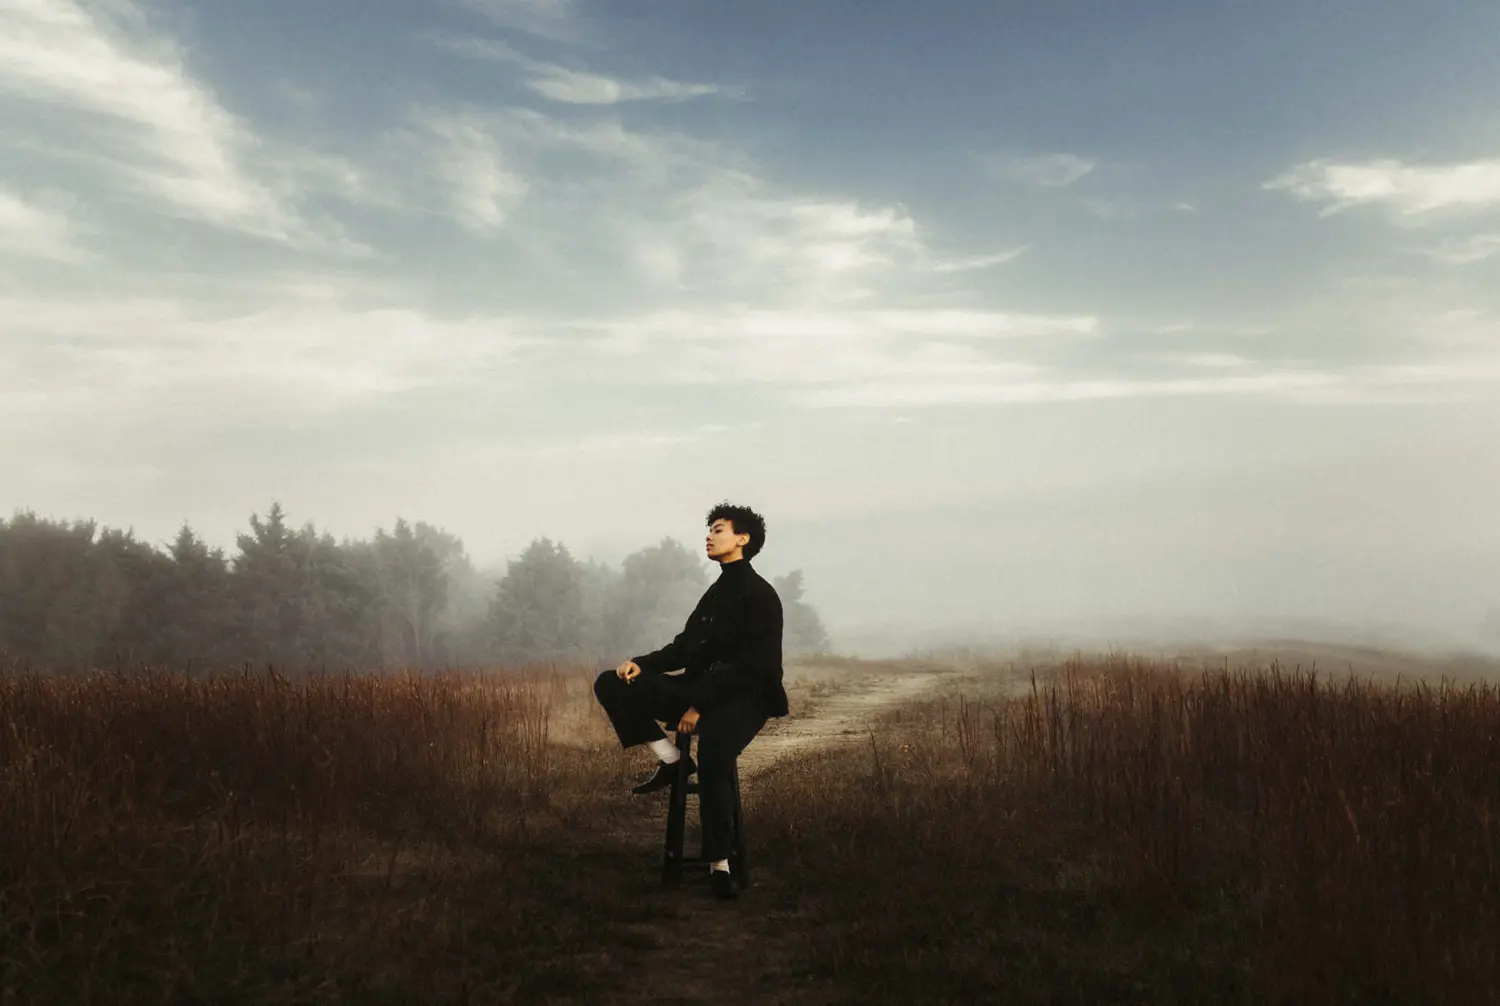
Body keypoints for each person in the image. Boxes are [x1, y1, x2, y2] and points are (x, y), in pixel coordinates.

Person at [593, 502, 789, 900]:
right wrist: (641, 664)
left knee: (717, 755)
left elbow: (753, 668)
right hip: (698, 691)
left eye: (718, 529)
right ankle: (673, 761)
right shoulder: (716, 593)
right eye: (710, 530)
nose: (709, 536)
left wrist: (698, 706)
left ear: (742, 539)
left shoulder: (760, 595)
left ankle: (720, 864)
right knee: (611, 682)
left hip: (744, 700)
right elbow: (685, 648)